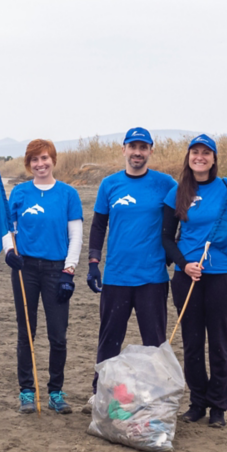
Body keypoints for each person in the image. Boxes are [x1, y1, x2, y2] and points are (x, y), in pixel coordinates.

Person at [84, 127, 176, 413]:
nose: (138, 152)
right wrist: (94, 262)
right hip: (117, 277)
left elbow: (180, 220)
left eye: (143, 147)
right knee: (109, 339)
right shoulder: (109, 185)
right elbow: (99, 225)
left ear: (150, 150)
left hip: (152, 278)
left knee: (155, 342)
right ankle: (99, 391)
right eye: (132, 146)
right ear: (123, 149)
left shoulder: (166, 184)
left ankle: (158, 396)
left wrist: (174, 254)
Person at [162, 134, 227, 428]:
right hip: (187, 278)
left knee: (219, 344)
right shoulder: (178, 192)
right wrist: (184, 264)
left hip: (222, 276)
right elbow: (166, 238)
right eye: (195, 152)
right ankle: (198, 403)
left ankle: (218, 407)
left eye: (206, 153)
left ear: (214, 159)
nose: (200, 157)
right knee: (192, 344)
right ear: (189, 157)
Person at [3, 139, 83, 414]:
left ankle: (56, 392)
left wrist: (69, 270)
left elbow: (75, 235)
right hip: (25, 268)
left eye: (45, 158)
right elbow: (8, 227)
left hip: (55, 269)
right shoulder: (20, 193)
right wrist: (8, 252)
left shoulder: (68, 194)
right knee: (26, 331)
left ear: (53, 160)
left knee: (58, 335)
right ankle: (27, 390)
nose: (40, 164)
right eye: (35, 160)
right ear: (29, 164)